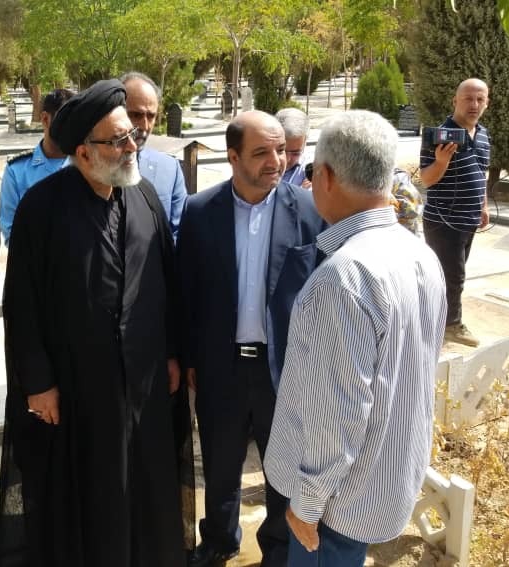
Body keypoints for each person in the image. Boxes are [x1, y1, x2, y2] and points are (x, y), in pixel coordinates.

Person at [0, 79, 191, 567]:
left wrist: (171, 352)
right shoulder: (42, 208)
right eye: (118, 140)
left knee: (144, 488)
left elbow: (166, 282)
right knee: (88, 497)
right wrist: (38, 383)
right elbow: (22, 304)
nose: (132, 146)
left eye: (132, 136)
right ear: (83, 152)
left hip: (143, 382)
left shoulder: (144, 195)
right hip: (77, 390)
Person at [264, 110, 447, 567]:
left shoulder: (344, 277)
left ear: (325, 176)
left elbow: (336, 412)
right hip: (381, 483)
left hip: (334, 507)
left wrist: (307, 505)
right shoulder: (419, 254)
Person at [176, 110, 326, 567]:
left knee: (281, 469)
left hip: (283, 369)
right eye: (261, 152)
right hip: (220, 368)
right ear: (233, 156)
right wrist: (188, 357)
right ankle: (219, 541)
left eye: (280, 150)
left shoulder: (309, 211)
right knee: (220, 465)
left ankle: (276, 550)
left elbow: (324, 290)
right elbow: (187, 292)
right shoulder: (200, 211)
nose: (276, 161)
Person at [419, 78, 490, 347]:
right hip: (443, 219)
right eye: (468, 99)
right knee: (452, 276)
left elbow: (481, 172)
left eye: (480, 99)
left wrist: (483, 205)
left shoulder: (483, 134)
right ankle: (451, 325)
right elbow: (426, 179)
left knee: (453, 274)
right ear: (455, 101)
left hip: (468, 219)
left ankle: (437, 320)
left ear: (486, 103)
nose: (474, 105)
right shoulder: (439, 135)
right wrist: (442, 162)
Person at [0, 88, 73, 244]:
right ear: (45, 119)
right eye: (64, 120)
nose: (70, 128)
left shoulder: (86, 166)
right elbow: (11, 231)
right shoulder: (17, 171)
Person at [121, 71, 188, 239]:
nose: (144, 125)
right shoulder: (92, 166)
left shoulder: (170, 169)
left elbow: (180, 234)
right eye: (136, 115)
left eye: (151, 116)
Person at [275, 107, 310, 188]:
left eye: (295, 153)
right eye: (281, 151)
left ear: (305, 143)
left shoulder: (311, 171)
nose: (287, 159)